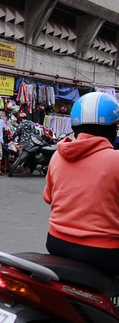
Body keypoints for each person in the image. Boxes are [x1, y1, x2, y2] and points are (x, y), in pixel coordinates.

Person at [44, 92, 119, 276]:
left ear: (75, 127)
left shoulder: (57, 155)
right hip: (103, 252)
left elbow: (49, 198)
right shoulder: (116, 160)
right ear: (113, 129)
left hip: (56, 243)